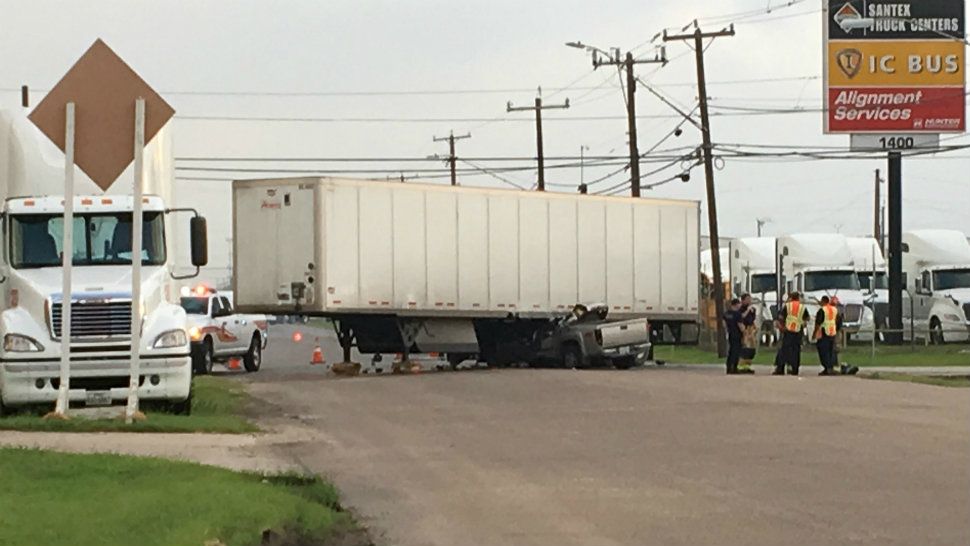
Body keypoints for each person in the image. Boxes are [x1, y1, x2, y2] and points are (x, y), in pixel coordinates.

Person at [774, 291, 811, 375]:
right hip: (798, 331)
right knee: (796, 350)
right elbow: (807, 318)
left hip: (788, 330)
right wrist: (802, 322)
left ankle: (780, 368)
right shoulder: (802, 307)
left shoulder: (787, 306)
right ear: (798, 298)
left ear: (790, 297)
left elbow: (781, 317)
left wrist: (781, 326)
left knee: (784, 349)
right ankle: (795, 369)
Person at [813, 295, 840, 375]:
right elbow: (838, 321)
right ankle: (830, 367)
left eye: (821, 301)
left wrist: (814, 334)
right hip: (832, 333)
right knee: (830, 351)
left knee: (823, 351)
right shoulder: (834, 309)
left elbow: (818, 323)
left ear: (824, 301)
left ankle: (827, 368)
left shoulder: (822, 310)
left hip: (824, 333)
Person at [738, 293, 758, 374]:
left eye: (750, 299)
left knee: (751, 349)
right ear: (742, 301)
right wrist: (747, 310)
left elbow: (752, 319)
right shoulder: (740, 309)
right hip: (744, 329)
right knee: (745, 348)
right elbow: (742, 317)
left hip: (751, 329)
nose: (749, 301)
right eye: (747, 299)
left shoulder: (752, 309)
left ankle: (748, 366)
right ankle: (741, 366)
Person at [723, 298, 744, 375]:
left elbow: (724, 324)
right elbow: (740, 326)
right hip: (737, 334)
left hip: (730, 334)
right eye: (739, 304)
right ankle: (734, 367)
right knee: (736, 351)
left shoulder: (726, 314)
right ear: (736, 304)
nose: (740, 305)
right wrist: (744, 332)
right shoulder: (738, 314)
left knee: (731, 350)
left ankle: (729, 367)